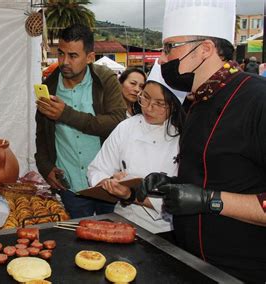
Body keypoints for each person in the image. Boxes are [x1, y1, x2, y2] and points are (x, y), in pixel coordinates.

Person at [139, 0, 266, 282]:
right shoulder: (196, 102)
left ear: (206, 49)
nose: (161, 59)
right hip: (189, 260)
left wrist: (210, 201)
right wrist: (174, 186)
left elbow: (216, 194)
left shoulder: (257, 99)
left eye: (170, 47)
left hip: (242, 271)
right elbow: (218, 172)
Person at [35, 23, 126, 219]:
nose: (64, 61)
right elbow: (41, 134)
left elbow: (117, 122)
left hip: (106, 182)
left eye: (73, 56)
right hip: (70, 185)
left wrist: (66, 114)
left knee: (111, 236)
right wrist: (45, 166)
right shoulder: (48, 86)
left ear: (90, 57)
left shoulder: (105, 79)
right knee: (76, 242)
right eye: (61, 53)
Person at [87, 61, 185, 241]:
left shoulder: (183, 138)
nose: (148, 107)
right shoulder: (127, 127)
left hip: (166, 229)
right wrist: (109, 182)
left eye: (159, 103)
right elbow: (96, 168)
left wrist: (130, 195)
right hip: (123, 221)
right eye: (145, 97)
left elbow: (181, 196)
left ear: (174, 106)